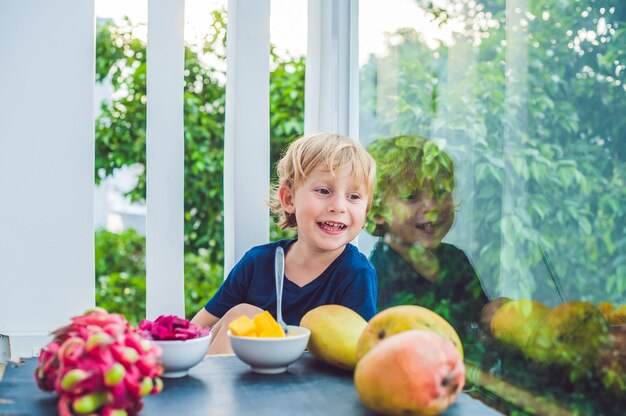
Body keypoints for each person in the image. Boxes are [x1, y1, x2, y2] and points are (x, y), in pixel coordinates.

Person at [191, 133, 378, 354]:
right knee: (241, 314)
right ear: (289, 199)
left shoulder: (356, 273)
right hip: (243, 378)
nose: (338, 206)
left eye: (354, 196)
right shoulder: (257, 263)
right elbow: (196, 329)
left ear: (365, 212)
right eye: (323, 191)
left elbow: (358, 351)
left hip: (311, 384)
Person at [365, 135, 489, 346]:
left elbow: (478, 324)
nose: (432, 206)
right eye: (411, 196)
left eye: (441, 192)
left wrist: (493, 317)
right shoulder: (377, 273)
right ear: (376, 211)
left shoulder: (455, 260)